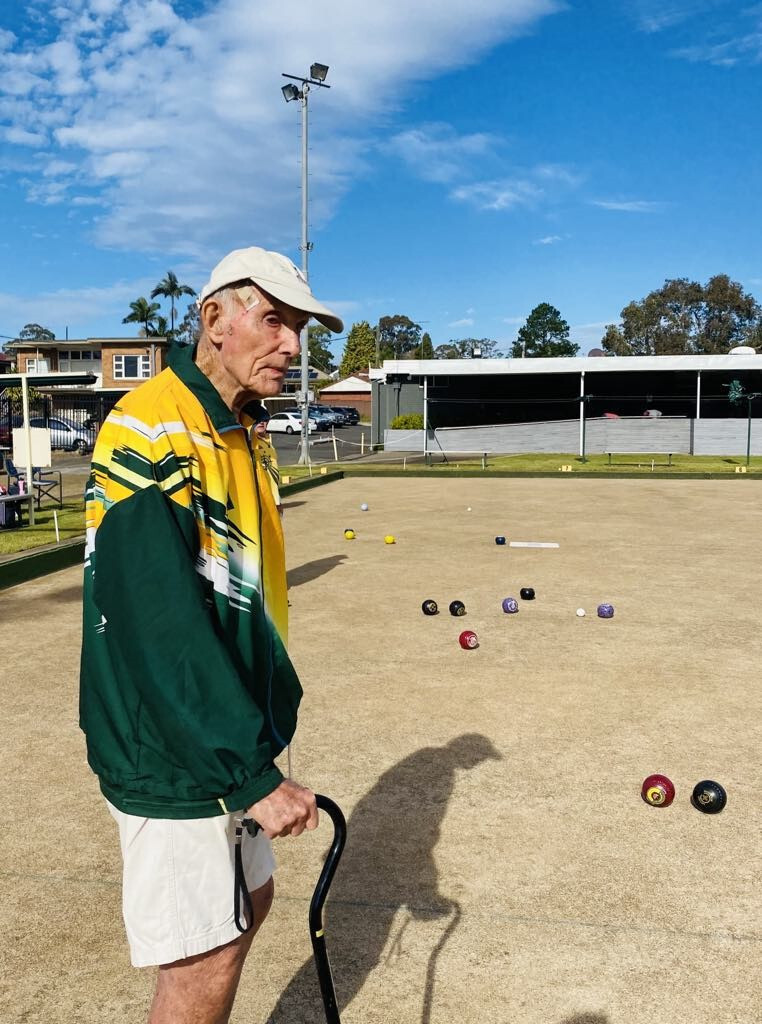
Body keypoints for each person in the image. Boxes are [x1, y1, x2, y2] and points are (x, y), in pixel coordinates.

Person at [79, 246, 343, 1024]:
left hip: (225, 735)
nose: (292, 344)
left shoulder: (239, 429)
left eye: (297, 327)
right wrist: (250, 774)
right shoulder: (151, 427)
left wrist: (252, 745)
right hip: (173, 745)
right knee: (204, 957)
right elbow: (156, 624)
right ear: (213, 319)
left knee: (251, 902)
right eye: (273, 319)